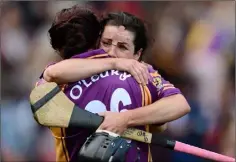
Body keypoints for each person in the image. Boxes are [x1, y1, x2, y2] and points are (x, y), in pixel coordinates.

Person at [37, 5, 190, 162]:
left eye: (122, 47)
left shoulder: (144, 74)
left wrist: (125, 119)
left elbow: (180, 104)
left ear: (137, 54)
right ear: (97, 41)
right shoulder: (69, 72)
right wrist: (115, 64)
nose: (111, 52)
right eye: (106, 43)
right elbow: (52, 73)